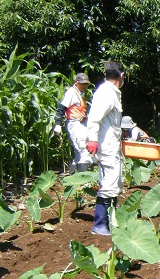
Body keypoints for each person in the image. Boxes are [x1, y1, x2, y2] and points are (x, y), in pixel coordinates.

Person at [85, 60, 126, 236]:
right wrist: (92, 139)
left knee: (114, 183)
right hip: (106, 146)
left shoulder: (112, 92)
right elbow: (94, 118)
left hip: (112, 145)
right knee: (109, 184)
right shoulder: (107, 93)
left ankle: (110, 220)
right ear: (121, 76)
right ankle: (100, 224)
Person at [53, 73, 94, 174]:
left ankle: (73, 178)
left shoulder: (80, 93)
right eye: (82, 84)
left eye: (86, 84)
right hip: (75, 124)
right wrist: (58, 124)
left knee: (78, 154)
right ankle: (82, 181)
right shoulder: (72, 93)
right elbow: (61, 109)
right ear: (76, 82)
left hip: (81, 124)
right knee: (83, 151)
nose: (84, 86)